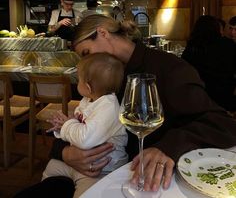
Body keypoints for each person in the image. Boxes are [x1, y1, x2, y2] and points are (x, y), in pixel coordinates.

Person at [14, 14, 236, 197]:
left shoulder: (170, 68)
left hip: (150, 183)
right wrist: (64, 152)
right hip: (91, 175)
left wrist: (166, 147)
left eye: (86, 53)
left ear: (102, 32)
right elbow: (81, 123)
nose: (86, 63)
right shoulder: (99, 79)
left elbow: (221, 123)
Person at [43, 53, 128, 191]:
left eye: (79, 79)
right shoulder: (88, 100)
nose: (77, 82)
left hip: (102, 169)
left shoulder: (109, 107)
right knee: (52, 166)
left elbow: (84, 139)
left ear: (88, 87)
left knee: (86, 193)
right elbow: (77, 126)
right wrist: (61, 127)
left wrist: (67, 125)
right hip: (81, 161)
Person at [181, 15, 236, 111]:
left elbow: (184, 71)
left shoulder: (191, 47)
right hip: (224, 98)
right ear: (217, 29)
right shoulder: (228, 45)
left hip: (198, 98)